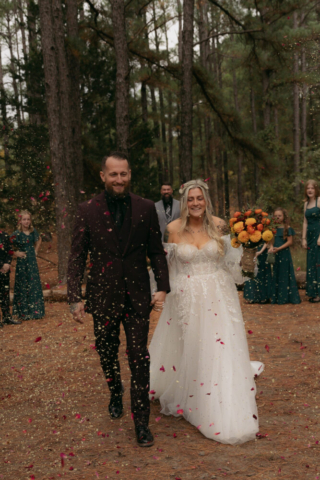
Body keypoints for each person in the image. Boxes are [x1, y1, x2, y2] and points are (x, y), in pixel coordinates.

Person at [149, 179, 264, 445]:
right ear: (184, 202)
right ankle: (190, 390)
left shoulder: (221, 225)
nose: (196, 203)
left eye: (200, 198)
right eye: (191, 199)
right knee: (192, 346)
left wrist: (248, 256)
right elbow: (166, 267)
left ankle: (218, 397)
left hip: (219, 295)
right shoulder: (173, 229)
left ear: (206, 200)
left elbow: (233, 268)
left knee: (218, 346)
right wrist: (164, 294)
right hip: (186, 297)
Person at [67, 152, 170, 448]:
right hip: (102, 296)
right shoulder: (87, 209)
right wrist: (75, 297)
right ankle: (115, 390)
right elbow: (76, 256)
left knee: (139, 357)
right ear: (103, 176)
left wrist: (162, 286)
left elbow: (156, 251)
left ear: (129, 174)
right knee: (107, 353)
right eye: (113, 174)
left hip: (137, 296)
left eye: (123, 174)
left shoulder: (146, 207)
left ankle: (141, 422)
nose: (119, 179)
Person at [10, 211, 45, 320]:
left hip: (32, 261)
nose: (26, 221)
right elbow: (6, 245)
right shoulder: (16, 234)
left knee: (33, 283)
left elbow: (39, 239)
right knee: (23, 284)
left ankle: (35, 311)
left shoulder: (33, 231)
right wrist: (16, 253)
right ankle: (23, 311)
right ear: (20, 221)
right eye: (24, 219)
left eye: (28, 219)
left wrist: (36, 250)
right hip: (22, 262)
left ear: (30, 221)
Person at [269, 208, 301, 305]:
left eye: (280, 216)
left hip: (284, 253)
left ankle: (285, 297)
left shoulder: (287, 228)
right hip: (275, 253)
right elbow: (270, 240)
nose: (278, 217)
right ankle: (277, 297)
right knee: (276, 273)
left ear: (284, 216)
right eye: (276, 216)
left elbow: (290, 242)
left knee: (284, 273)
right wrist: (271, 247)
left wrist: (278, 248)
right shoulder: (273, 228)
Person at [302, 180, 320, 303]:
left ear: (316, 189)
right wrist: (303, 238)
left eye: (312, 188)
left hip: (318, 234)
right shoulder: (306, 204)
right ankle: (313, 292)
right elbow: (305, 222)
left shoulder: (319, 200)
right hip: (310, 236)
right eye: (308, 188)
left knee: (319, 262)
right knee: (312, 262)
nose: (310, 190)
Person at [0, 225, 20, 326]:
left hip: (5, 270)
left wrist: (7, 263)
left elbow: (10, 251)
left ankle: (6, 317)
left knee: (5, 293)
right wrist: (1, 265)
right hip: (1, 266)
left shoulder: (4, 235)